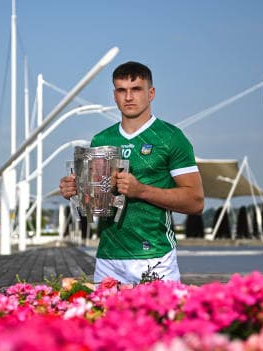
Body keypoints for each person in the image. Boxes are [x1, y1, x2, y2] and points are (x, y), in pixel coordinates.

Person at [59, 61, 204, 284]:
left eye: (136, 89)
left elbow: (195, 202)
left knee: (160, 320)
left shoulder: (171, 137)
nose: (128, 97)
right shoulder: (101, 140)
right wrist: (76, 190)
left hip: (154, 255)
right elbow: (96, 202)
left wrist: (141, 191)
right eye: (121, 90)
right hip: (108, 258)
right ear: (114, 95)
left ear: (151, 93)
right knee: (101, 319)